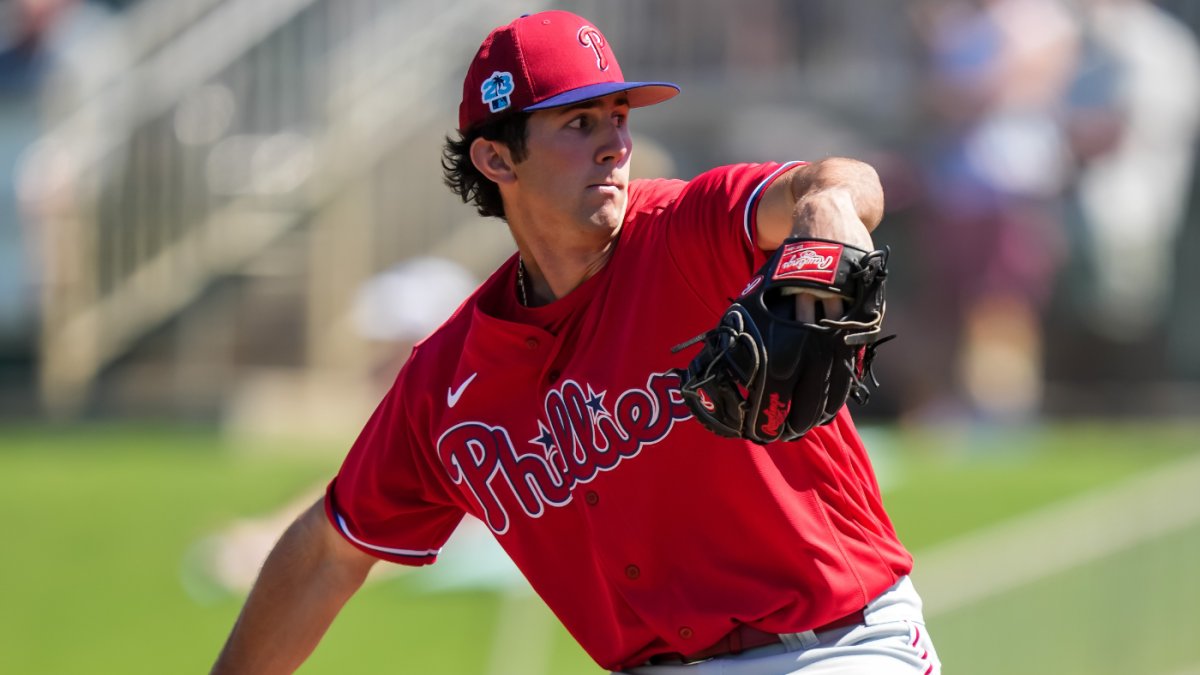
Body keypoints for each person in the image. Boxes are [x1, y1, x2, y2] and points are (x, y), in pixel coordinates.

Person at [211, 10, 940, 674]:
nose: (615, 145)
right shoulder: (449, 381)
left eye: (618, 117)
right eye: (579, 123)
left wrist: (824, 210)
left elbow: (839, 181)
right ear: (498, 160)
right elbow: (329, 548)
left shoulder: (688, 230)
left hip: (841, 646)